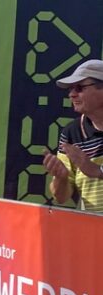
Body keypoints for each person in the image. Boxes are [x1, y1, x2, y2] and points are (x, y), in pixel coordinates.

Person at [43, 59, 103, 213]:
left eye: (79, 88)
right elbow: (61, 197)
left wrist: (98, 170)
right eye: (70, 89)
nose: (72, 94)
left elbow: (95, 170)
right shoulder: (71, 132)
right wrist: (61, 179)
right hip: (94, 231)